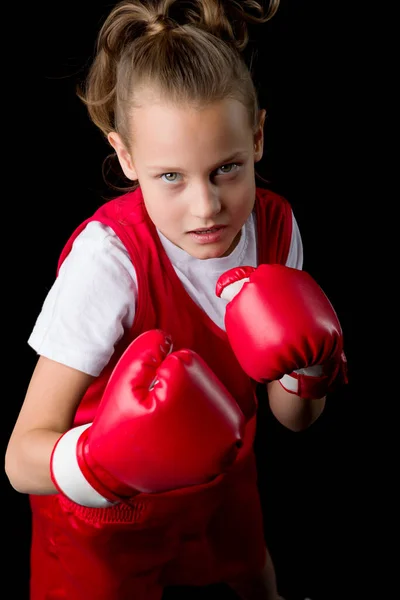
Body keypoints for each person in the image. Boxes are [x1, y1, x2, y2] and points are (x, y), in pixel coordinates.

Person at [5, 1, 348, 599]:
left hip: (222, 475)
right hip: (109, 513)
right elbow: (21, 460)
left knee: (252, 571)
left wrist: (314, 365)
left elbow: (293, 420)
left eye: (226, 169)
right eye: (171, 176)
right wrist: (105, 462)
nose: (206, 207)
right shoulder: (108, 261)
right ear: (127, 158)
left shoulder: (275, 225)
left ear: (259, 137)